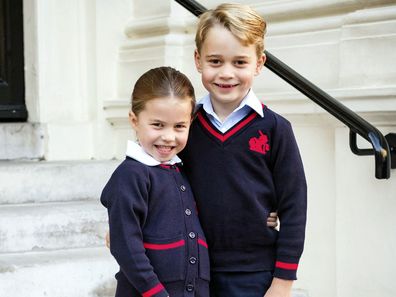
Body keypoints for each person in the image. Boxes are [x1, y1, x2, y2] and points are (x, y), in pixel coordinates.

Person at [179, 3, 307, 297]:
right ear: (198, 60)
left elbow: (294, 207)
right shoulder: (185, 126)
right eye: (215, 61)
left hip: (254, 272)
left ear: (259, 63)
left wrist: (283, 281)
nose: (226, 73)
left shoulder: (276, 129)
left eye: (239, 62)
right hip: (191, 267)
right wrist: (127, 223)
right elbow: (153, 178)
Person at [100, 66, 210, 297]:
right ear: (134, 119)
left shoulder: (180, 170)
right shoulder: (131, 176)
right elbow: (126, 246)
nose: (168, 136)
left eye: (179, 126)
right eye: (157, 125)